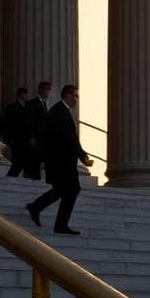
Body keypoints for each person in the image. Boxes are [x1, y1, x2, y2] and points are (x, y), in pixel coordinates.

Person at [27, 84, 93, 235]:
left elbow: (72, 139)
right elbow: (68, 139)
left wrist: (82, 154)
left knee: (62, 189)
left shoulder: (62, 111)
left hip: (63, 161)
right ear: (67, 95)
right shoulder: (59, 111)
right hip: (61, 161)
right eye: (75, 95)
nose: (77, 99)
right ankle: (59, 224)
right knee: (72, 189)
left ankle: (37, 207)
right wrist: (82, 156)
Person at [23, 81, 54, 180]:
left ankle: (36, 177)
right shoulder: (32, 103)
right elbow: (29, 121)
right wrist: (31, 136)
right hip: (35, 138)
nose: (47, 92)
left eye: (48, 89)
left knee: (40, 160)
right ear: (40, 90)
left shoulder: (47, 104)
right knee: (33, 159)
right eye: (45, 89)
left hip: (43, 139)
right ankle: (31, 177)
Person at [3, 86, 31, 177]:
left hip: (25, 140)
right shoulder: (12, 108)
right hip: (16, 140)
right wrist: (8, 138)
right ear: (21, 95)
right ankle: (10, 177)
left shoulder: (28, 107)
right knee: (18, 161)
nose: (26, 96)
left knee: (23, 161)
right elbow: (7, 124)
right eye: (25, 94)